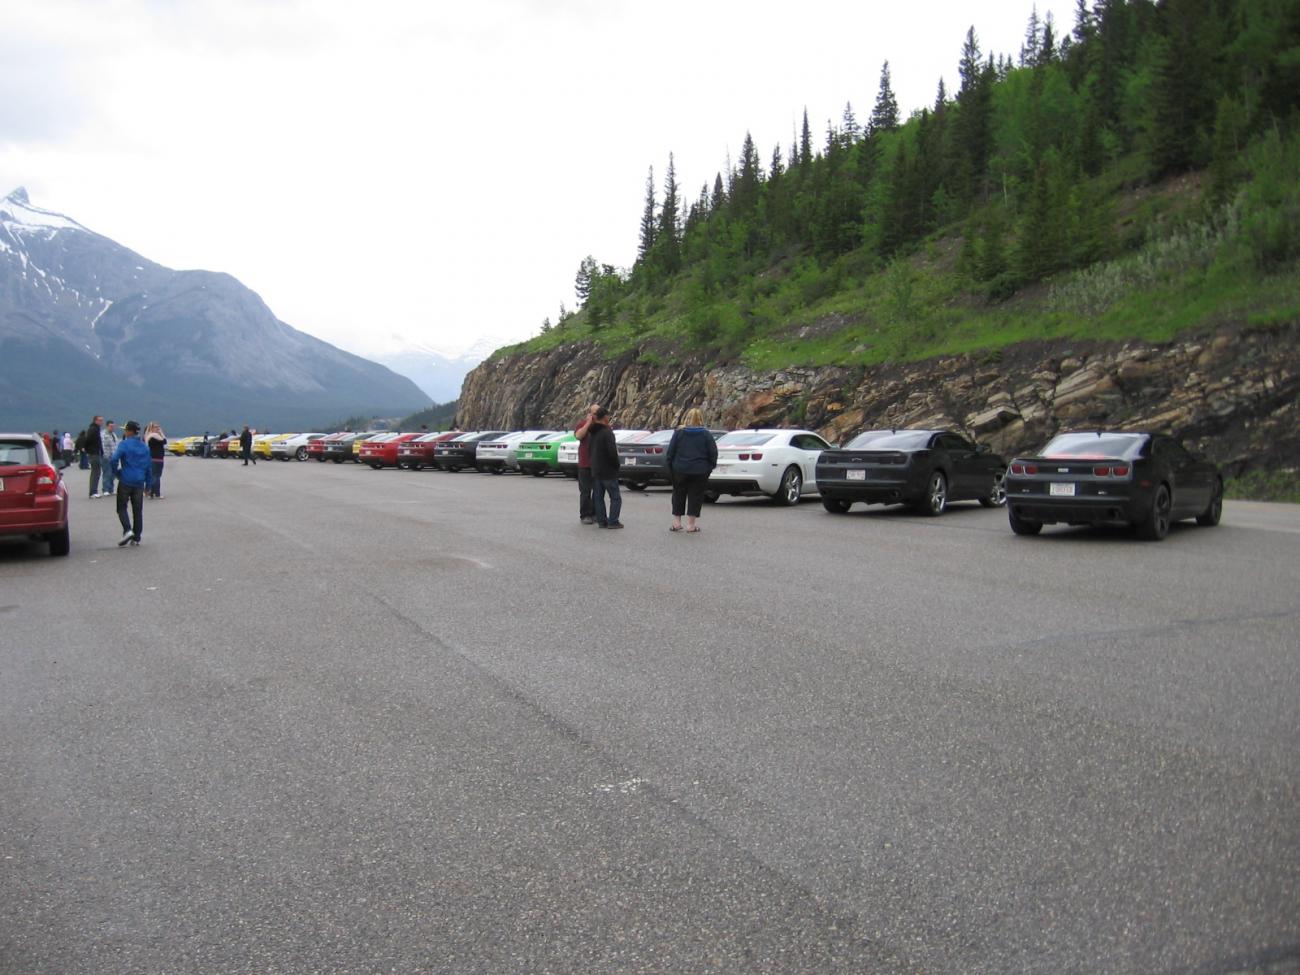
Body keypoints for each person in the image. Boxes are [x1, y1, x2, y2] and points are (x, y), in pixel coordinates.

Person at [666, 408, 719, 534]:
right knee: (696, 496)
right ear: (701, 419)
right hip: (699, 470)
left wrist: (671, 467)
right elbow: (713, 453)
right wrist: (710, 467)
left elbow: (670, 452)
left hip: (680, 469)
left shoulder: (679, 433)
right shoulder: (706, 434)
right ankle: (691, 525)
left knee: (678, 494)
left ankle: (677, 523)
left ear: (687, 418)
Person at [110, 421, 151, 546]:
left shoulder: (124, 444)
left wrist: (117, 472)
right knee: (137, 510)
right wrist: (148, 485)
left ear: (129, 431)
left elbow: (113, 459)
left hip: (126, 479)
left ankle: (127, 530)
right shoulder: (144, 446)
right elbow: (149, 467)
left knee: (121, 507)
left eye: (125, 430)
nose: (124, 432)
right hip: (139, 481)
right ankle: (136, 537)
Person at [588, 407, 623, 529]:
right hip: (608, 470)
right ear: (605, 417)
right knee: (615, 497)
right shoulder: (607, 433)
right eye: (608, 416)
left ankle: (601, 521)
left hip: (596, 469)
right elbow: (612, 452)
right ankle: (613, 521)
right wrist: (616, 465)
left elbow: (589, 450)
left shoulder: (592, 432)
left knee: (598, 497)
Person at [574, 402, 600, 524]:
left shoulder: (602, 426)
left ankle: (596, 513)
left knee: (598, 491)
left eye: (598, 413)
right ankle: (585, 514)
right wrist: (588, 423)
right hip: (585, 464)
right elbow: (578, 436)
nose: (596, 416)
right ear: (589, 414)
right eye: (594, 413)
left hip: (598, 464)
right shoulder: (582, 424)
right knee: (585, 491)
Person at [145, 422, 167, 497]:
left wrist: (160, 433)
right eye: (156, 427)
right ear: (151, 428)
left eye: (158, 427)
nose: (158, 428)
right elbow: (164, 441)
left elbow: (164, 441)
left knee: (156, 476)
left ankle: (153, 492)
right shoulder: (152, 437)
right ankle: (154, 492)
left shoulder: (155, 436)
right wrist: (161, 433)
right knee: (155, 476)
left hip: (159, 458)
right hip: (155, 458)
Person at [85, 415, 104, 497]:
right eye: (100, 420)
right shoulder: (93, 429)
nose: (101, 422)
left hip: (96, 452)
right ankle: (93, 492)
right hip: (94, 453)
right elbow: (87, 440)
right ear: (95, 420)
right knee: (96, 472)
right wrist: (89, 450)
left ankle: (94, 491)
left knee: (96, 471)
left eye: (102, 420)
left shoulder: (96, 429)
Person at [99, 420, 119, 496]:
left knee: (113, 474)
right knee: (107, 473)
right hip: (106, 456)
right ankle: (105, 489)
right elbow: (102, 446)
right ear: (107, 426)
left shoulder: (113, 434)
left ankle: (111, 489)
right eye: (111, 426)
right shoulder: (103, 434)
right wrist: (104, 455)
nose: (112, 428)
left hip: (114, 456)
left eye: (113, 426)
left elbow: (116, 445)